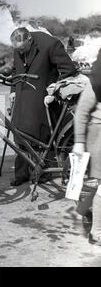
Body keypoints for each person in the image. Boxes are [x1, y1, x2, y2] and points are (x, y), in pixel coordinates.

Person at [9, 27, 77, 186]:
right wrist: (13, 90)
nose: (19, 52)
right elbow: (15, 70)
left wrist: (54, 88)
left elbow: (69, 69)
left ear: (29, 40)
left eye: (22, 49)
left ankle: (40, 173)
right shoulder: (18, 47)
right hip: (21, 96)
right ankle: (21, 174)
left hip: (42, 96)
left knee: (38, 136)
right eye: (16, 50)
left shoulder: (50, 44)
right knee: (19, 134)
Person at [73, 80, 101, 246]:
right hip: (98, 135)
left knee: (97, 185)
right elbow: (82, 110)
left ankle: (80, 211)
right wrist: (79, 141)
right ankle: (96, 233)